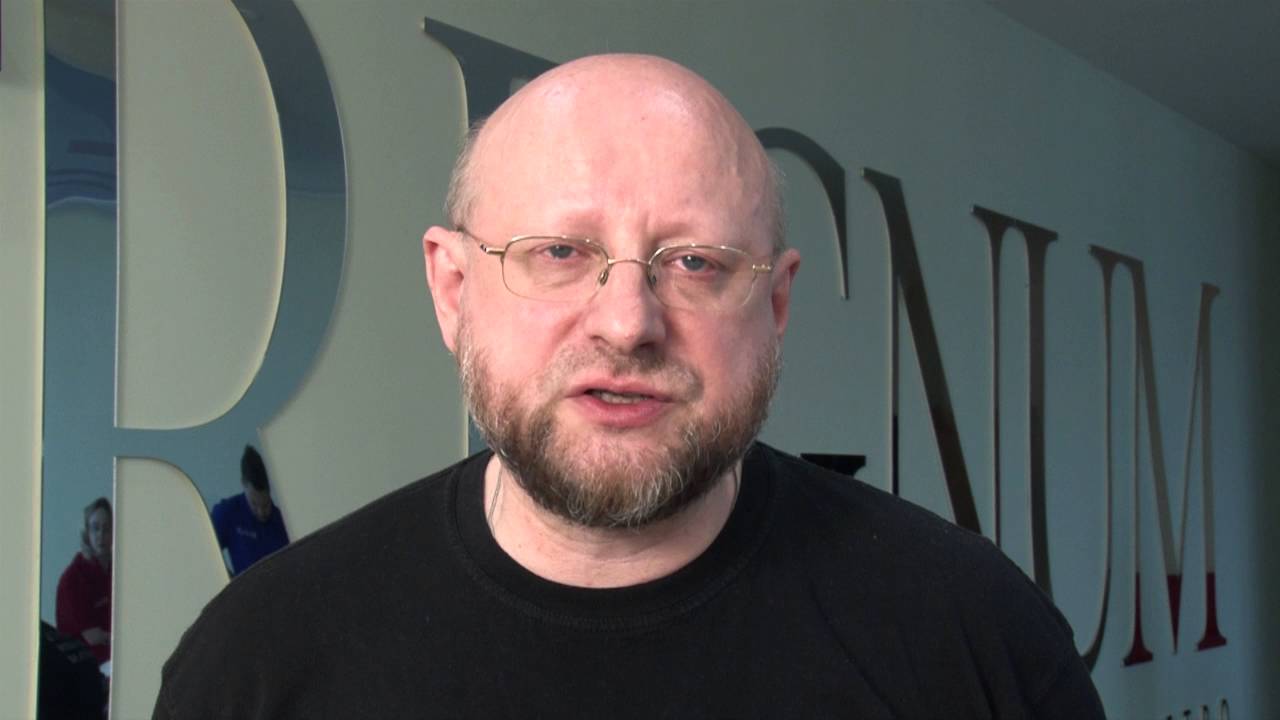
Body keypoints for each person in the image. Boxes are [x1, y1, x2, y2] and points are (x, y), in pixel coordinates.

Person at [155, 55, 1105, 718]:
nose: (626, 321)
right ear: (453, 289)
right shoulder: (257, 665)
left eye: (694, 262)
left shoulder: (977, 639)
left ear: (775, 303)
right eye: (559, 253)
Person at [209, 445, 289, 576]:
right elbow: (206, 551)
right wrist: (229, 580)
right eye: (254, 504)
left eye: (266, 505)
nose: (261, 512)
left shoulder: (284, 521)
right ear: (243, 484)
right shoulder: (228, 512)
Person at [56, 497, 112, 666]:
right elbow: (93, 637)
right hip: (84, 668)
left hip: (114, 661)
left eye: (106, 529)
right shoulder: (73, 579)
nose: (101, 535)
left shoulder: (115, 571)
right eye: (95, 528)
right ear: (87, 534)